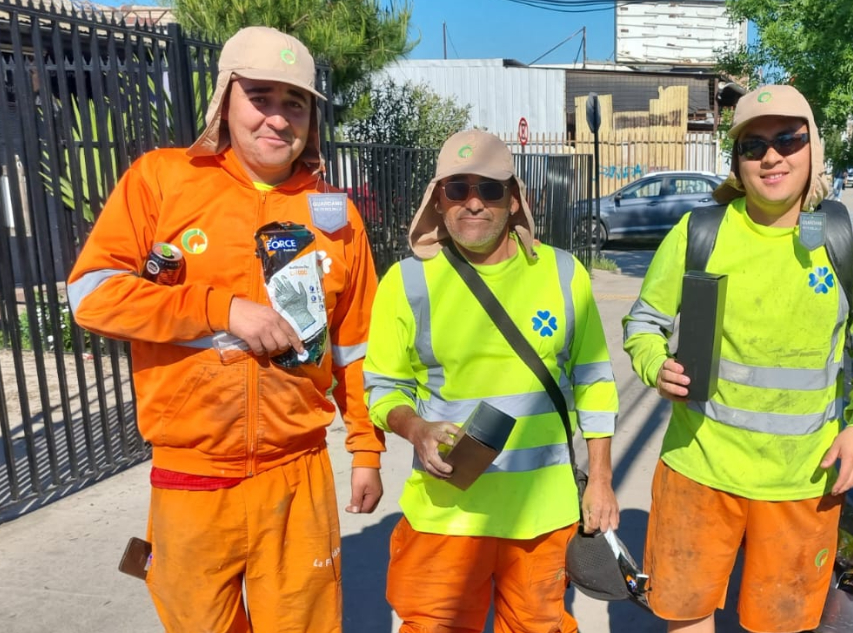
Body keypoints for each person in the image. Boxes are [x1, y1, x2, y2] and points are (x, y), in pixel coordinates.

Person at [66, 26, 384, 632]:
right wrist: (221, 308)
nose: (278, 118)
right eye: (260, 96)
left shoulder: (336, 219)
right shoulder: (162, 180)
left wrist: (365, 451)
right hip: (191, 478)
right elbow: (92, 295)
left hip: (298, 479)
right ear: (224, 100)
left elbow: (355, 348)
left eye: (295, 103)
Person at [623, 85, 853, 633]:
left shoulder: (849, 238)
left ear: (814, 147)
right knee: (686, 613)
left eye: (789, 139)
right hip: (698, 471)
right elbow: (643, 323)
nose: (772, 156)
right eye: (754, 145)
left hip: (804, 481)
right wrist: (654, 366)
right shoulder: (700, 232)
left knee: (781, 625)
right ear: (736, 162)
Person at [363, 129, 619, 633]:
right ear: (438, 198)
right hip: (446, 517)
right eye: (457, 189)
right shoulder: (408, 283)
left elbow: (595, 382)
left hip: (542, 519)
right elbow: (384, 388)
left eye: (490, 189)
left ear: (515, 197)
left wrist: (602, 481)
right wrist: (416, 429)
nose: (473, 203)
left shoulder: (564, 274)